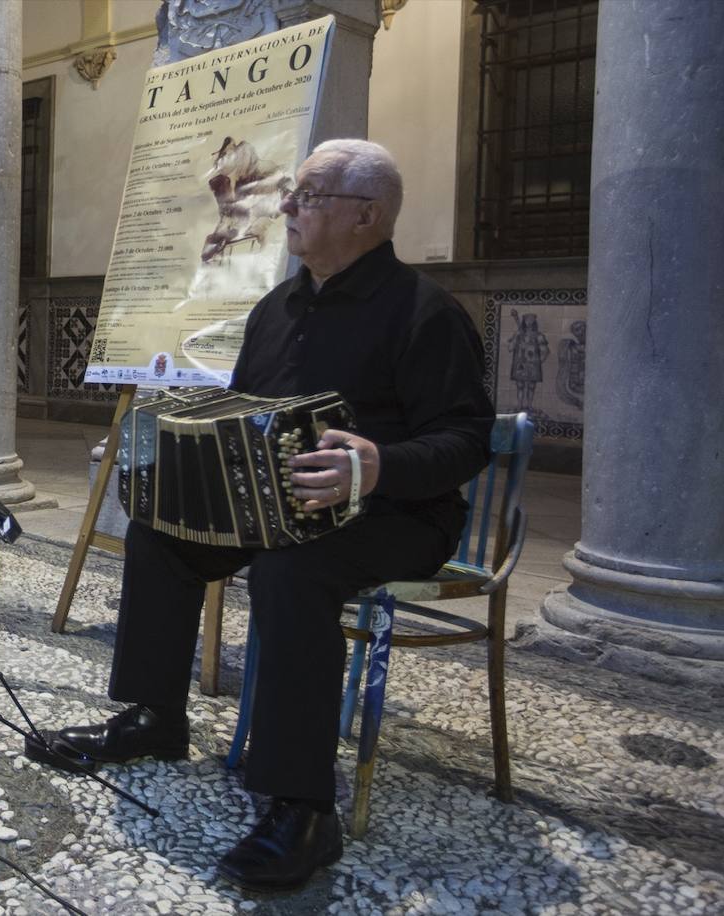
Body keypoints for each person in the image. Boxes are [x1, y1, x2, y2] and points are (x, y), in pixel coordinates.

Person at [51, 140, 495, 893]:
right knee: (159, 533)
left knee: (292, 571)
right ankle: (156, 718)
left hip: (398, 515)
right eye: (295, 194)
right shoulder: (277, 309)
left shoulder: (426, 312)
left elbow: (466, 438)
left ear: (367, 215)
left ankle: (302, 807)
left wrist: (380, 464)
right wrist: (156, 448)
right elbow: (241, 416)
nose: (287, 207)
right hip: (279, 507)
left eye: (310, 196)